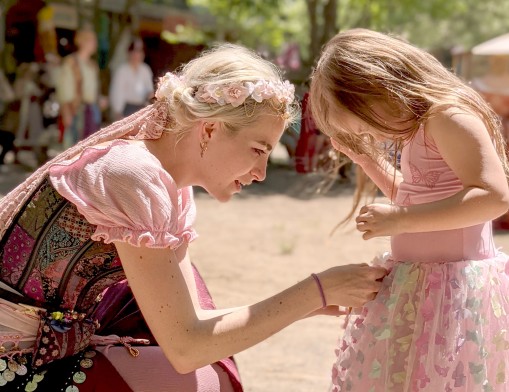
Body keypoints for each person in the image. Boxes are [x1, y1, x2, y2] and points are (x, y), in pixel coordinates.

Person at [0, 44, 386, 391]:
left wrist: (311, 303)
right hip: (13, 364)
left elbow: (196, 324)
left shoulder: (172, 189)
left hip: (51, 346)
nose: (262, 173)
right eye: (257, 149)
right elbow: (186, 347)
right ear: (210, 128)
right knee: (198, 380)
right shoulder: (133, 174)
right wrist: (313, 291)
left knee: (209, 369)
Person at [310, 28, 509, 391]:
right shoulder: (419, 128)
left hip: (455, 287)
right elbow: (416, 195)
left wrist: (402, 220)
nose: (376, 135)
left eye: (368, 125)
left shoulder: (448, 116)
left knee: (448, 378)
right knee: (411, 377)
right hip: (423, 284)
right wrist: (368, 161)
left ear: (378, 87)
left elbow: (493, 196)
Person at [55, 28, 102, 148]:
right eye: (92, 40)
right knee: (73, 146)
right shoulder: (71, 62)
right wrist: (66, 111)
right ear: (83, 42)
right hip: (75, 110)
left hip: (90, 111)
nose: (95, 44)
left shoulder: (92, 65)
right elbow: (64, 89)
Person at [109, 38, 154, 121]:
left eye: (139, 52)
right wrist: (118, 111)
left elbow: (149, 90)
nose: (136, 55)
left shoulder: (145, 70)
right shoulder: (122, 70)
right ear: (129, 53)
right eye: (134, 52)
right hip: (126, 108)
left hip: (141, 107)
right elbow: (118, 91)